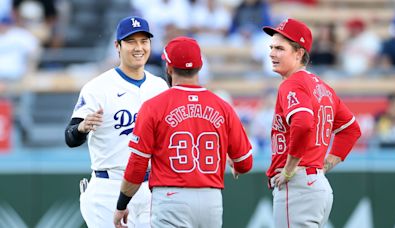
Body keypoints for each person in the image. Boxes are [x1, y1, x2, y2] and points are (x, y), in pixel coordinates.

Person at [113, 36, 253, 228]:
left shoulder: (154, 106)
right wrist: (236, 165)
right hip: (211, 198)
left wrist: (122, 204)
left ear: (169, 68)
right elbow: (245, 163)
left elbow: (137, 165)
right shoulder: (223, 106)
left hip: (172, 197)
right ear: (200, 66)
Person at [64, 16, 169, 227]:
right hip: (109, 187)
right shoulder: (98, 87)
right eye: (131, 41)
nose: (138, 47)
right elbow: (70, 137)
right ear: (117, 46)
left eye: (144, 41)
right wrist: (82, 128)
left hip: (151, 188)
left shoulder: (159, 86)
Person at [262, 18, 362, 227]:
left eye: (280, 48)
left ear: (299, 53)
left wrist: (289, 169)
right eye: (271, 47)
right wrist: (325, 165)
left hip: (298, 185)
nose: (272, 53)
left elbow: (303, 123)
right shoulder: (323, 87)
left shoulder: (292, 83)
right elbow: (351, 130)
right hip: (316, 184)